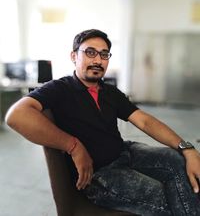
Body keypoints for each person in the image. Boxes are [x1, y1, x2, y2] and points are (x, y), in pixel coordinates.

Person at [5, 29, 200, 216]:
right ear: (74, 56)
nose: (98, 60)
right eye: (90, 52)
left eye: (104, 54)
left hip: (124, 151)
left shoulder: (110, 92)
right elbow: (16, 116)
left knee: (178, 160)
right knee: (166, 196)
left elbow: (145, 121)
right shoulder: (59, 89)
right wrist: (73, 145)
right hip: (99, 175)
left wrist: (187, 148)